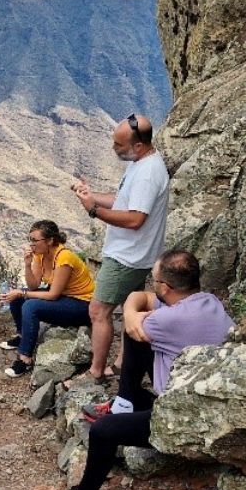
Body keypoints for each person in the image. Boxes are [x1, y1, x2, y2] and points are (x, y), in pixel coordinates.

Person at [41, 250, 233, 490]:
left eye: (154, 281)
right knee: (138, 330)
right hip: (206, 399)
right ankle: (125, 402)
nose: (151, 286)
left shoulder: (165, 321)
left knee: (103, 431)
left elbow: (138, 309)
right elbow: (139, 298)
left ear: (165, 287)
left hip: (184, 421)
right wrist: (132, 313)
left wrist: (131, 316)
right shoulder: (209, 302)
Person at [72, 113, 170, 383]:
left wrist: (93, 210)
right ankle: (122, 363)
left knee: (98, 311)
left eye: (119, 145)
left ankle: (95, 373)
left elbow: (135, 219)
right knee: (129, 307)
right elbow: (122, 201)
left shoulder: (148, 173)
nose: (113, 149)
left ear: (138, 145)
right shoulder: (141, 163)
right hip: (136, 253)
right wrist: (92, 198)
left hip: (128, 256)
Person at [0, 220, 94, 378]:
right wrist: (27, 265)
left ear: (50, 241)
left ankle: (25, 359)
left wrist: (23, 293)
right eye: (30, 240)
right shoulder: (40, 255)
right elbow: (34, 285)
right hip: (64, 296)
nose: (32, 244)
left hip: (83, 304)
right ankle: (22, 337)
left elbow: (53, 295)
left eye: (35, 240)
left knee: (30, 306)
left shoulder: (64, 257)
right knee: (17, 298)